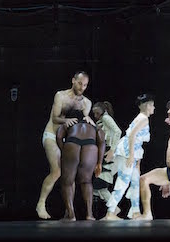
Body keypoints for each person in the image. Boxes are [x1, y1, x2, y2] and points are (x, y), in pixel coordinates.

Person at [36, 71, 94, 219]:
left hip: (68, 141)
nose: (82, 87)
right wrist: (65, 120)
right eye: (80, 83)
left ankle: (69, 211)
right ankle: (41, 204)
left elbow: (82, 122)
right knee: (57, 171)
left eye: (85, 85)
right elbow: (55, 118)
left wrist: (88, 121)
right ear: (73, 80)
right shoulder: (61, 96)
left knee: (70, 175)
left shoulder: (86, 103)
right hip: (52, 135)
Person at [102, 94, 154, 220]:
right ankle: (110, 212)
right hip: (127, 153)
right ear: (147, 106)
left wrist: (136, 160)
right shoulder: (143, 119)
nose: (153, 108)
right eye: (152, 105)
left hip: (130, 153)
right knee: (123, 182)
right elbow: (132, 136)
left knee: (135, 182)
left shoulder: (141, 118)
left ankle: (135, 212)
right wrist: (131, 156)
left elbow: (136, 140)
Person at [55, 109, 105, 221]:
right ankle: (89, 214)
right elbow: (102, 142)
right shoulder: (93, 125)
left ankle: (71, 215)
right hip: (90, 146)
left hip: (72, 143)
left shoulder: (69, 123)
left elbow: (58, 136)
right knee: (87, 181)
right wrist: (99, 162)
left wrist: (64, 150)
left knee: (67, 182)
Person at [91, 101, 122, 205]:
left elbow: (118, 131)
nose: (95, 115)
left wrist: (112, 150)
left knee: (100, 184)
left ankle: (114, 209)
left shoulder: (106, 118)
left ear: (103, 111)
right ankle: (112, 209)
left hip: (109, 152)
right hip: (104, 151)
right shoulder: (101, 121)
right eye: (94, 113)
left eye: (97, 113)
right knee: (97, 187)